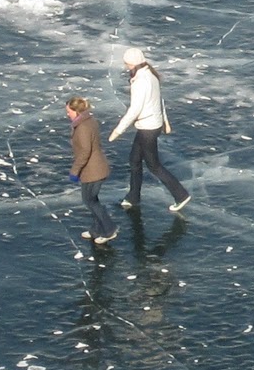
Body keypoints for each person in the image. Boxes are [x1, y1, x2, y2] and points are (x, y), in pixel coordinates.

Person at [109, 47, 191, 213]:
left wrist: (119, 130)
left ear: (132, 63)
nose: (125, 67)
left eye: (126, 63)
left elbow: (135, 109)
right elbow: (159, 101)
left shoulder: (141, 81)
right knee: (134, 160)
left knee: (154, 165)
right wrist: (165, 122)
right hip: (150, 125)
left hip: (148, 128)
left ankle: (181, 195)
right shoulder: (150, 75)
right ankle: (133, 196)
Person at [65, 96, 117, 249]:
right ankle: (96, 230)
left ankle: (109, 229)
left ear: (76, 111)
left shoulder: (83, 127)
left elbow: (85, 152)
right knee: (91, 199)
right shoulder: (88, 121)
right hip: (94, 169)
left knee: (90, 200)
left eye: (69, 111)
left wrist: (75, 171)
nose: (67, 114)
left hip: (93, 170)